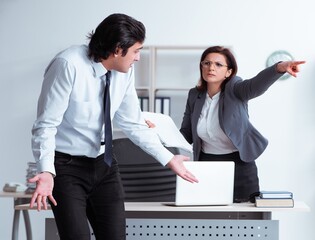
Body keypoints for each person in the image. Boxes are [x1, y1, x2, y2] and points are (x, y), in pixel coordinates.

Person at [29, 13, 197, 240]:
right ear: (118, 49)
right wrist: (46, 171)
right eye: (136, 51)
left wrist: (168, 158)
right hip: (67, 167)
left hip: (104, 163)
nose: (138, 58)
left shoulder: (124, 71)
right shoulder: (68, 65)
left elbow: (132, 122)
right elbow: (45, 125)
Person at [179, 46, 305, 203]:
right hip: (206, 165)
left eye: (218, 64)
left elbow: (255, 85)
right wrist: (159, 131)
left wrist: (279, 67)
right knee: (210, 216)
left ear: (229, 72)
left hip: (239, 165)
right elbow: (185, 133)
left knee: (246, 218)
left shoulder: (235, 88)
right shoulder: (194, 95)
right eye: (206, 63)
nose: (211, 67)